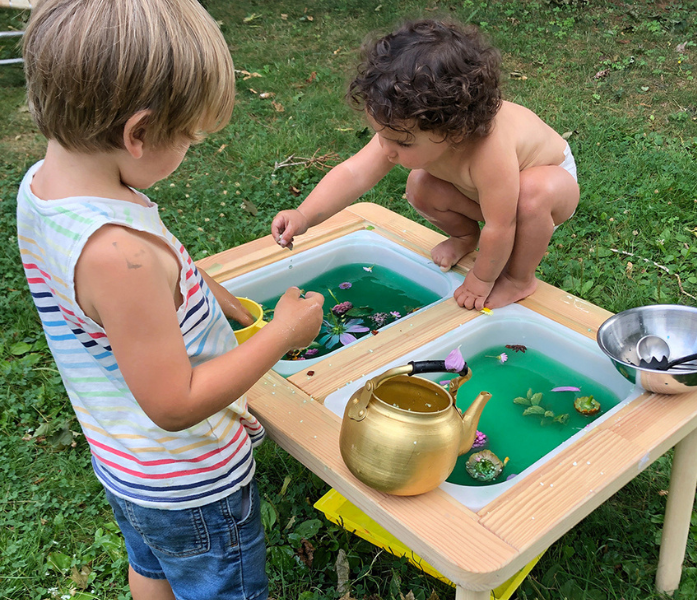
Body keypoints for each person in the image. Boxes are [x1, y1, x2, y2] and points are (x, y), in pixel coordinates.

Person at [17, 1, 324, 599]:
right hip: (189, 481)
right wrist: (281, 333)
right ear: (138, 133)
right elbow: (175, 403)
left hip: (127, 464)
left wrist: (210, 292)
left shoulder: (46, 186)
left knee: (152, 564)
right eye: (188, 138)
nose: (189, 151)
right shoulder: (116, 255)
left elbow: (150, 264)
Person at [271, 19, 580, 311]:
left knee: (530, 194)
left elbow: (501, 226)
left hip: (550, 185)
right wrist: (304, 214)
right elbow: (354, 173)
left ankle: (519, 279)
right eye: (381, 135)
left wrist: (482, 279)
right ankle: (464, 237)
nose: (387, 150)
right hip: (485, 194)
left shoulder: (490, 152)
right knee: (420, 185)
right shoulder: (406, 125)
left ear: (454, 131)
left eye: (403, 143)